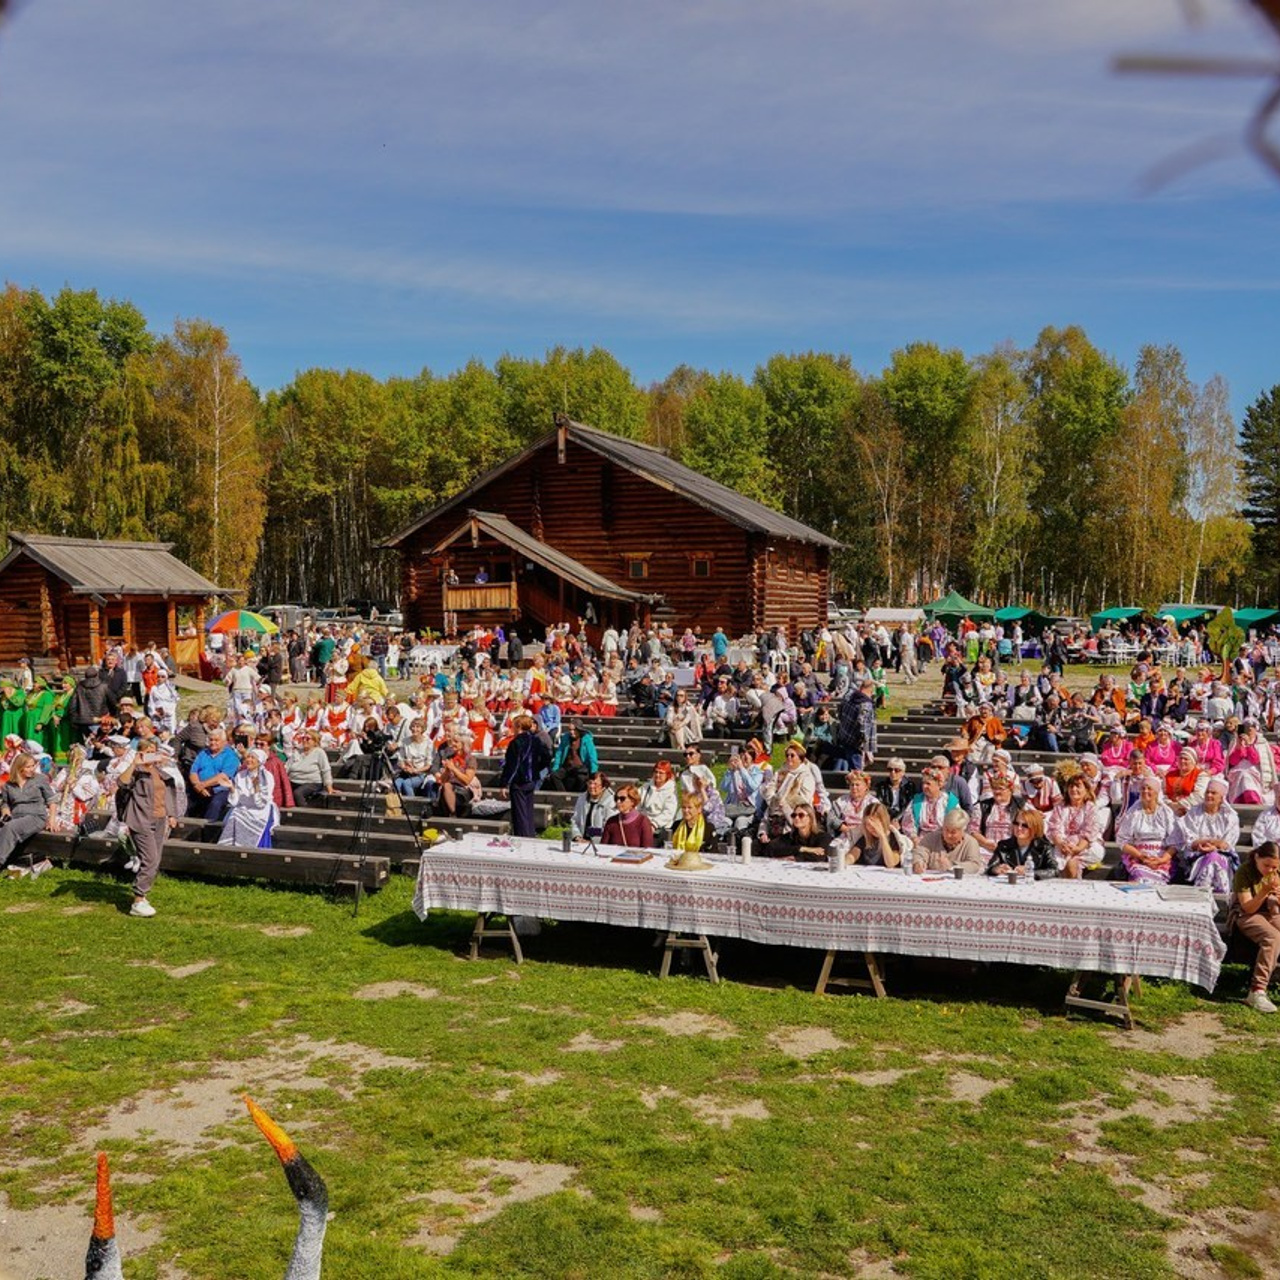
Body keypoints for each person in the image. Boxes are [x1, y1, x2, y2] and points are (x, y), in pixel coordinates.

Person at [121, 726, 181, 918]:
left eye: (153, 752)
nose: (150, 756)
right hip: (140, 819)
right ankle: (138, 899)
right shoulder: (136, 772)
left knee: (155, 859)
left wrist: (171, 814)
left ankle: (143, 894)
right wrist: (134, 763)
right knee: (150, 860)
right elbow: (121, 783)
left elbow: (167, 793)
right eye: (147, 752)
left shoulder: (159, 771)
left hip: (159, 818)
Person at [1231, 841, 1280, 1013]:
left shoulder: (1276, 871)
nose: (1270, 870)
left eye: (1274, 867)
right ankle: (1257, 991)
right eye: (1266, 865)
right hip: (1247, 914)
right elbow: (1247, 907)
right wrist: (1264, 892)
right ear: (1257, 857)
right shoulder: (1245, 871)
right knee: (1273, 937)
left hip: (1271, 912)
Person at [1173, 777, 1240, 894]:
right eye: (1207, 792)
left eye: (1213, 793)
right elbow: (1190, 841)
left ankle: (1207, 892)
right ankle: (1208, 893)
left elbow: (1226, 843)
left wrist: (1211, 846)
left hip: (1223, 854)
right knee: (1210, 859)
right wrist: (1210, 844)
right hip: (1197, 854)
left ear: (1221, 798)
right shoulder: (1194, 812)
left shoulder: (1230, 816)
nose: (1209, 795)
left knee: (1214, 858)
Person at [0, 752, 55, 875]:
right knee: (6, 826)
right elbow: (5, 803)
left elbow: (52, 800)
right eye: (28, 767)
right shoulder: (8, 785)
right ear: (19, 767)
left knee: (10, 828)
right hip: (15, 817)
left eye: (33, 766)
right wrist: (5, 812)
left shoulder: (40, 779)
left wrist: (51, 819)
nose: (32, 769)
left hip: (35, 816)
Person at [1115, 777, 1178, 884]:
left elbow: (1175, 843)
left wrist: (1161, 860)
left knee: (1158, 881)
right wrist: (1140, 856)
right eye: (1143, 788)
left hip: (1161, 859)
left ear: (1157, 792)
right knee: (1140, 876)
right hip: (1139, 858)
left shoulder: (1166, 812)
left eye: (1149, 788)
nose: (1145, 791)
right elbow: (1122, 841)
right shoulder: (1134, 812)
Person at [497, 715, 552, 838]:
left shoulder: (516, 742)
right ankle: (530, 836)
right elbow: (547, 757)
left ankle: (523, 838)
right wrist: (535, 769)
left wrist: (504, 783)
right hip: (531, 780)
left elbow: (512, 766)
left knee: (520, 814)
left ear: (519, 726)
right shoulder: (536, 740)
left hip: (519, 781)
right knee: (528, 811)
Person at [1047, 772, 1105, 879]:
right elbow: (1053, 828)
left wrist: (1077, 848)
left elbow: (1089, 832)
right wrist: (1061, 844)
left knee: (1071, 862)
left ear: (1086, 790)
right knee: (1059, 860)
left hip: (1085, 846)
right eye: (1071, 786)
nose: (1074, 789)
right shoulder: (1061, 807)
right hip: (1063, 846)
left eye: (1078, 786)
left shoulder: (1090, 808)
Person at [218, 749, 278, 849]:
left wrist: (256, 788)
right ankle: (232, 849)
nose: (249, 760)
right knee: (235, 814)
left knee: (240, 815)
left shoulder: (267, 776)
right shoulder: (240, 775)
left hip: (261, 811)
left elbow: (261, 804)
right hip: (244, 808)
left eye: (252, 758)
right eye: (248, 757)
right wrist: (232, 788)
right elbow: (236, 802)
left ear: (259, 761)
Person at [986, 806, 1056, 879]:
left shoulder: (1044, 847)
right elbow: (990, 866)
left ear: (1035, 828)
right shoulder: (1004, 846)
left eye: (1024, 825)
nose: (1019, 828)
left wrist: (1030, 872)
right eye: (1016, 823)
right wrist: (996, 869)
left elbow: (1054, 871)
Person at [188, 726, 240, 822]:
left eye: (216, 740)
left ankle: (209, 830)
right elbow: (193, 771)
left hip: (221, 789)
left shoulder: (230, 756)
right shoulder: (203, 753)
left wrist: (202, 785)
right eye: (211, 740)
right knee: (187, 801)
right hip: (199, 788)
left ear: (224, 742)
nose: (213, 743)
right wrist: (197, 785)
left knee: (215, 803)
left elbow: (223, 776)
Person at [914, 808, 986, 875]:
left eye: (953, 832)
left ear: (962, 831)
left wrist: (951, 865)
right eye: (946, 830)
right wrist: (918, 863)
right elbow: (920, 852)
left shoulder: (970, 843)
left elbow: (974, 865)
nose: (948, 835)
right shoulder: (931, 838)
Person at [849, 800, 910, 868]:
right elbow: (853, 855)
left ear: (883, 821)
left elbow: (891, 863)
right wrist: (845, 861)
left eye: (875, 823)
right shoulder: (866, 838)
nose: (872, 828)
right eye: (868, 825)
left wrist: (882, 836)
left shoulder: (894, 839)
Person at [764, 802, 832, 861]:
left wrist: (795, 857)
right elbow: (771, 849)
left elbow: (820, 857)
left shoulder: (823, 837)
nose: (796, 818)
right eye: (794, 815)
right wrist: (802, 849)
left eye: (801, 815)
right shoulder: (791, 836)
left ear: (810, 819)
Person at [285, 729, 336, 807]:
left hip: (312, 782)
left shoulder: (319, 752)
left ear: (315, 742)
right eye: (303, 738)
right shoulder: (297, 752)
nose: (304, 740)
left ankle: (304, 814)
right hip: (294, 780)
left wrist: (329, 787)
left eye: (308, 739)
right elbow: (286, 767)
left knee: (298, 793)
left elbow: (325, 770)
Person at [546, 719, 598, 794]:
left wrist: (594, 771)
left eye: (574, 730)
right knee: (554, 775)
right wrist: (555, 767)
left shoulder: (587, 739)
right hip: (567, 766)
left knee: (581, 779)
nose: (571, 732)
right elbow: (559, 753)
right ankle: (563, 794)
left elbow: (592, 755)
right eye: (570, 730)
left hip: (580, 767)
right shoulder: (565, 738)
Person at [601, 784, 656, 849]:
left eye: (622, 799)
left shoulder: (643, 821)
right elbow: (603, 847)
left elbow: (647, 849)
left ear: (632, 801)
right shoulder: (611, 821)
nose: (618, 801)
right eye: (616, 798)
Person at [639, 760, 679, 843]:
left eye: (661, 773)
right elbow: (636, 801)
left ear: (667, 775)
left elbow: (668, 813)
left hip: (660, 828)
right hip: (642, 822)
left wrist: (654, 824)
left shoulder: (671, 791)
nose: (657, 775)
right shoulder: (646, 787)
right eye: (656, 772)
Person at [570, 771, 616, 842]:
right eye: (590, 783)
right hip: (580, 842)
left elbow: (609, 827)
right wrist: (577, 837)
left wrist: (591, 836)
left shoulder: (611, 801)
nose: (591, 786)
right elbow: (574, 820)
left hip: (601, 844)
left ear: (603, 786)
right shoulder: (582, 798)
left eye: (595, 784)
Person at [874, 758, 916, 825]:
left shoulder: (909, 786)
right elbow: (881, 804)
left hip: (903, 817)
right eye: (890, 770)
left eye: (897, 770)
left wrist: (897, 819)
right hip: (886, 817)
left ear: (903, 772)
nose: (893, 772)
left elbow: (908, 806)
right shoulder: (881, 786)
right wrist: (889, 819)